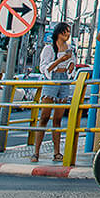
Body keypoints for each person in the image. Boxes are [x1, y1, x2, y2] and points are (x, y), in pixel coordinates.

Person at [30, 22, 78, 163]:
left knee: (58, 119)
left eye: (68, 32)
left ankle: (57, 152)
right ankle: (36, 151)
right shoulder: (49, 49)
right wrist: (60, 60)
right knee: (44, 116)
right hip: (52, 79)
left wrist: (70, 66)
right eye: (65, 32)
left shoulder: (70, 49)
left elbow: (72, 67)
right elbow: (45, 67)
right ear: (59, 33)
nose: (67, 35)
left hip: (64, 80)